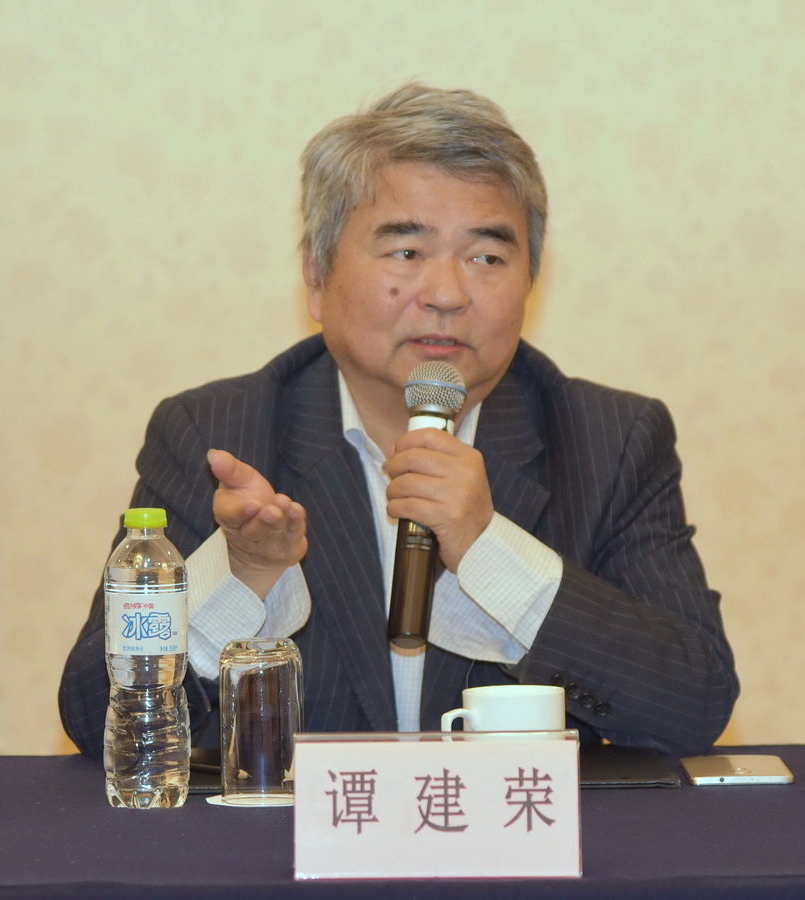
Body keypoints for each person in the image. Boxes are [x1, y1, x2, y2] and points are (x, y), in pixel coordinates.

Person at [59, 83, 738, 759]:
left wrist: (490, 554)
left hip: (511, 830)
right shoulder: (217, 435)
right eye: (407, 253)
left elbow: (693, 706)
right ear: (316, 275)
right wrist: (240, 574)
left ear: (530, 279)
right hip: (296, 832)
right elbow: (96, 715)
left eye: (487, 257)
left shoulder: (608, 439)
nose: (446, 294)